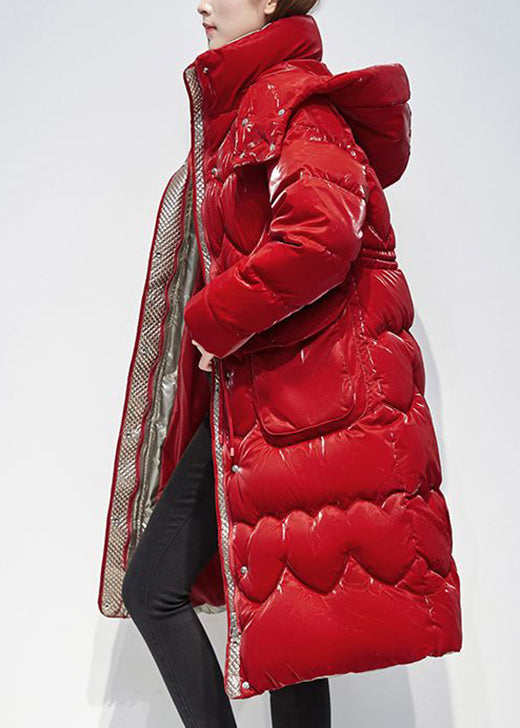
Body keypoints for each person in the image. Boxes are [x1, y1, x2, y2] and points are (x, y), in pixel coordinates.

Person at [99, 0, 463, 725]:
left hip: (296, 412)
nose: (202, 4)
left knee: (185, 596)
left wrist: (216, 322)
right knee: (284, 623)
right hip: (268, 407)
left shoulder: (295, 104)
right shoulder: (258, 103)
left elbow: (321, 237)